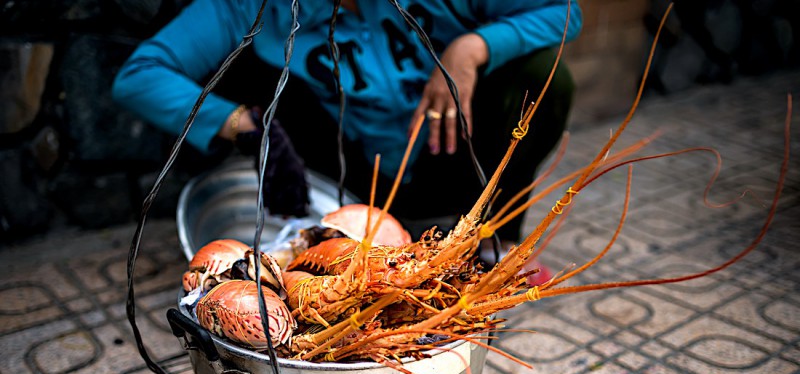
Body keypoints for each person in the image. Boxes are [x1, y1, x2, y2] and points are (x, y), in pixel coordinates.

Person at [112, 0, 582, 264]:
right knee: (259, 83)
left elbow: (565, 12)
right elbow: (140, 75)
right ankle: (325, 245)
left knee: (544, 73)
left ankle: (496, 240)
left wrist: (471, 48)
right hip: (349, 176)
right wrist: (241, 124)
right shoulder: (252, 4)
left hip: (454, 150)